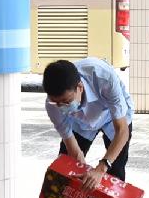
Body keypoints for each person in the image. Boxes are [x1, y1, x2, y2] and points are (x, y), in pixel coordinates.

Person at [43, 58, 134, 190]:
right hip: (80, 120)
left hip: (112, 115)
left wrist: (100, 169)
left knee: (115, 171)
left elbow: (122, 131)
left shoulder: (104, 77)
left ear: (79, 87)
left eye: (67, 101)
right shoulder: (52, 105)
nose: (61, 106)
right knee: (66, 168)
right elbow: (73, 150)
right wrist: (81, 171)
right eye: (57, 103)